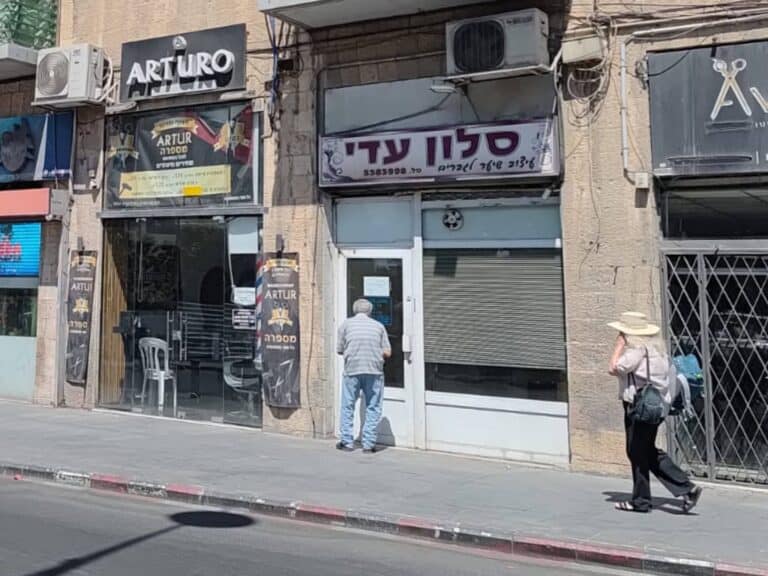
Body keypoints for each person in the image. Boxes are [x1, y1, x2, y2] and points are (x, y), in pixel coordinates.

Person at [608, 312, 702, 513]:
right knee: (647, 451)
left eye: (622, 332)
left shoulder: (637, 351)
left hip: (638, 407)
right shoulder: (658, 350)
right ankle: (686, 489)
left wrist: (618, 347)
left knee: (636, 451)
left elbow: (614, 367)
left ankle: (641, 501)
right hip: (656, 407)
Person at [336, 298, 391, 453]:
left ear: (354, 310)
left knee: (348, 405)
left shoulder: (346, 325)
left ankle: (347, 442)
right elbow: (387, 351)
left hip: (352, 370)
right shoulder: (379, 326)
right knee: (373, 406)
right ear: (370, 311)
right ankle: (368, 444)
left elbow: (339, 349)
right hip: (374, 370)